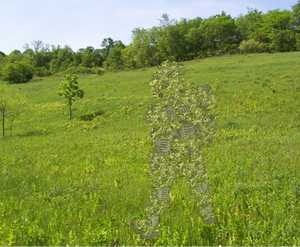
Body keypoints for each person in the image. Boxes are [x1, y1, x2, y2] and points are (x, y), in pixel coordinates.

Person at [131, 60, 217, 239]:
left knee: (166, 187)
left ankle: (151, 226)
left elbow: (208, 124)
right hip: (185, 150)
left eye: (162, 77)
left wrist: (194, 129)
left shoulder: (183, 99)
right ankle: (208, 217)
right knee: (193, 184)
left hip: (178, 152)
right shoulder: (183, 100)